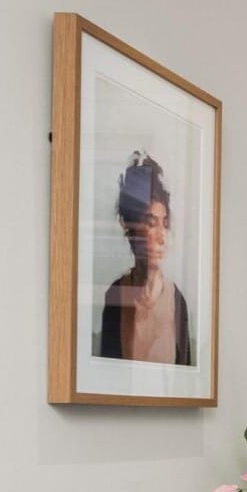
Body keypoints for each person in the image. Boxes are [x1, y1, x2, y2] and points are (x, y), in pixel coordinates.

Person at [99, 151, 192, 365]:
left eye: (164, 223)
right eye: (151, 223)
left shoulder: (177, 301)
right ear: (131, 227)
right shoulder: (116, 295)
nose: (161, 236)